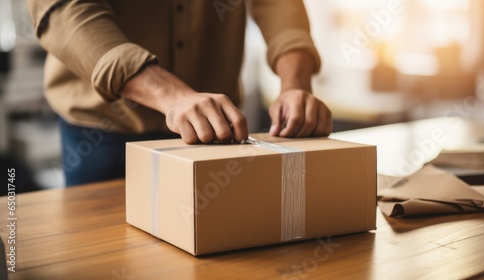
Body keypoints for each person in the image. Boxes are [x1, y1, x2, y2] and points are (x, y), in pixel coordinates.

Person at [27, 0, 332, 186]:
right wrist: (171, 96)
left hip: (213, 133)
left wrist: (295, 86)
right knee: (98, 259)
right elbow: (67, 8)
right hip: (103, 131)